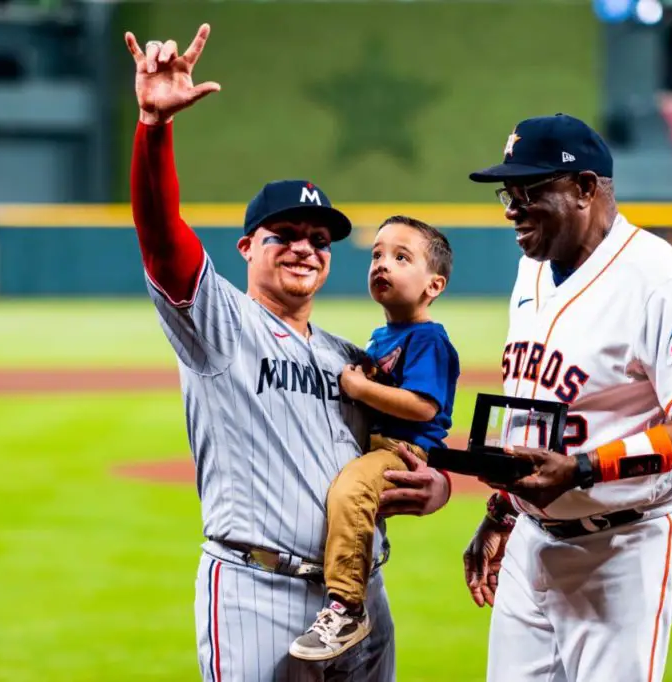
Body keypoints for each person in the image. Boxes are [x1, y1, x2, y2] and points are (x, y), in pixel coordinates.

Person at [123, 24, 452, 682]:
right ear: (247, 248)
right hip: (255, 588)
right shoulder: (220, 325)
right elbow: (161, 236)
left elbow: (415, 437)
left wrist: (439, 485)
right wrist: (154, 129)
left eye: (319, 240)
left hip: (358, 600)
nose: (305, 248)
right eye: (285, 236)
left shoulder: (352, 356)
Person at [461, 114, 672, 682]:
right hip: (532, 544)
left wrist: (584, 469)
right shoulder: (532, 269)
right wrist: (502, 511)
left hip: (626, 546)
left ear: (585, 189)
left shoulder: (660, 280)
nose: (513, 209)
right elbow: (537, 410)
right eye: (508, 194)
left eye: (531, 192)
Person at [289, 216, 460, 661]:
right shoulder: (384, 336)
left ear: (433, 285)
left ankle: (346, 605)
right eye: (377, 255)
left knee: (351, 488)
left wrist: (362, 388)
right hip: (379, 446)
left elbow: (424, 406)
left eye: (401, 257)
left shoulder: (428, 338)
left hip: (403, 451)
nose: (383, 264)